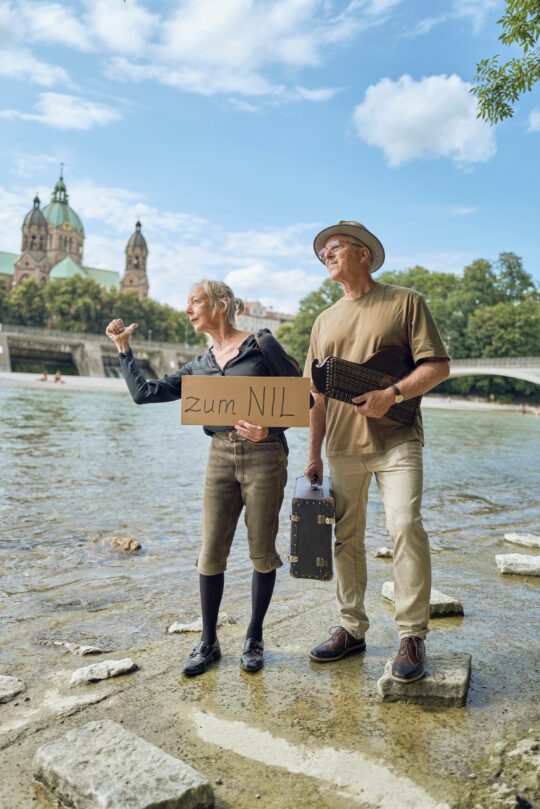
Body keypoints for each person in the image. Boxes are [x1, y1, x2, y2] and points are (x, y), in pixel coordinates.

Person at [106, 280, 301, 677]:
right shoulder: (201, 364)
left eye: (194, 301)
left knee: (262, 551)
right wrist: (124, 350)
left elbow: (303, 401)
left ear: (222, 304)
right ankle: (209, 642)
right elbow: (145, 394)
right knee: (211, 552)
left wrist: (269, 429)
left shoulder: (262, 345)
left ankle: (253, 638)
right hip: (220, 457)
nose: (187, 309)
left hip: (266, 456)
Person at [304, 220, 450, 683]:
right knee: (345, 537)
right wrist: (312, 455)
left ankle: (411, 635)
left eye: (334, 246)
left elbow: (438, 366)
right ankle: (351, 628)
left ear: (363, 252)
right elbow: (316, 397)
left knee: (404, 525)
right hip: (341, 446)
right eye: (322, 250)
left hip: (396, 440)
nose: (326, 254)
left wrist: (395, 395)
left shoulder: (405, 302)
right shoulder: (323, 320)